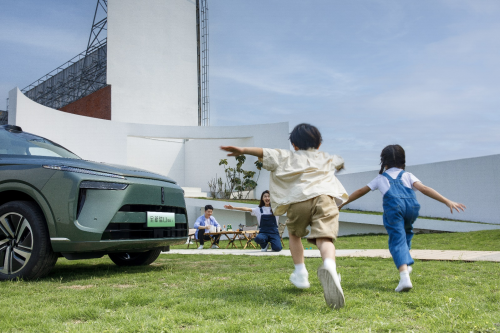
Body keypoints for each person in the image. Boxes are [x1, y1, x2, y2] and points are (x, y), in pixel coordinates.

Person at [221, 123, 348, 309]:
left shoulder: (286, 155)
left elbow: (263, 152)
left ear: (294, 145)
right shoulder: (324, 157)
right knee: (325, 238)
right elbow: (339, 162)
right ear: (319, 144)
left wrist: (243, 149)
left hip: (298, 200)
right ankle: (329, 266)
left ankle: (301, 272)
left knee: (295, 234)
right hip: (324, 198)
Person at [338, 144, 466, 292]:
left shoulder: (380, 178)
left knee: (397, 241)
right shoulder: (408, 175)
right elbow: (424, 189)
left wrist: (343, 203)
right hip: (411, 209)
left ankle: (404, 277)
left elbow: (361, 191)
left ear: (384, 162)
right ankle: (405, 263)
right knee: (406, 235)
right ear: (402, 161)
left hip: (394, 210)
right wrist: (446, 201)